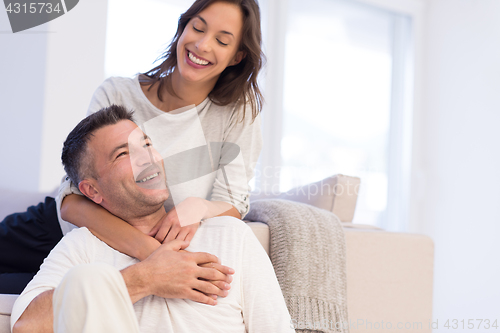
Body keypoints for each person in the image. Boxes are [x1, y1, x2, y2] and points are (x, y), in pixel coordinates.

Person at [0, 0, 264, 295]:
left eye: (221, 40)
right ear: (183, 28)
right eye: (197, 28)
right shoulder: (117, 93)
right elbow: (73, 199)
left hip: (101, 261)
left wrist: (198, 207)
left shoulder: (238, 114)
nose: (202, 45)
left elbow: (234, 203)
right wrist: (157, 256)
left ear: (237, 56)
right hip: (54, 232)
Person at [11, 106, 294, 333]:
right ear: (92, 190)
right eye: (123, 154)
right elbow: (26, 326)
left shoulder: (230, 236)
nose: (146, 158)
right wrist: (144, 279)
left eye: (146, 144)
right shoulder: (81, 248)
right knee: (88, 279)